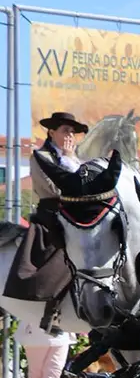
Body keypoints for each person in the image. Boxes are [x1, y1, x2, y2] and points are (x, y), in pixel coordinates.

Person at [3, 111, 87, 333]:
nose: (70, 135)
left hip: (77, 214)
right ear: (52, 132)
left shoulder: (78, 159)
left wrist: (71, 158)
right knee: (59, 248)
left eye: (72, 131)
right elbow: (54, 189)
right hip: (53, 212)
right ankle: (50, 300)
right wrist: (69, 160)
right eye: (65, 130)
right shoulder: (40, 157)